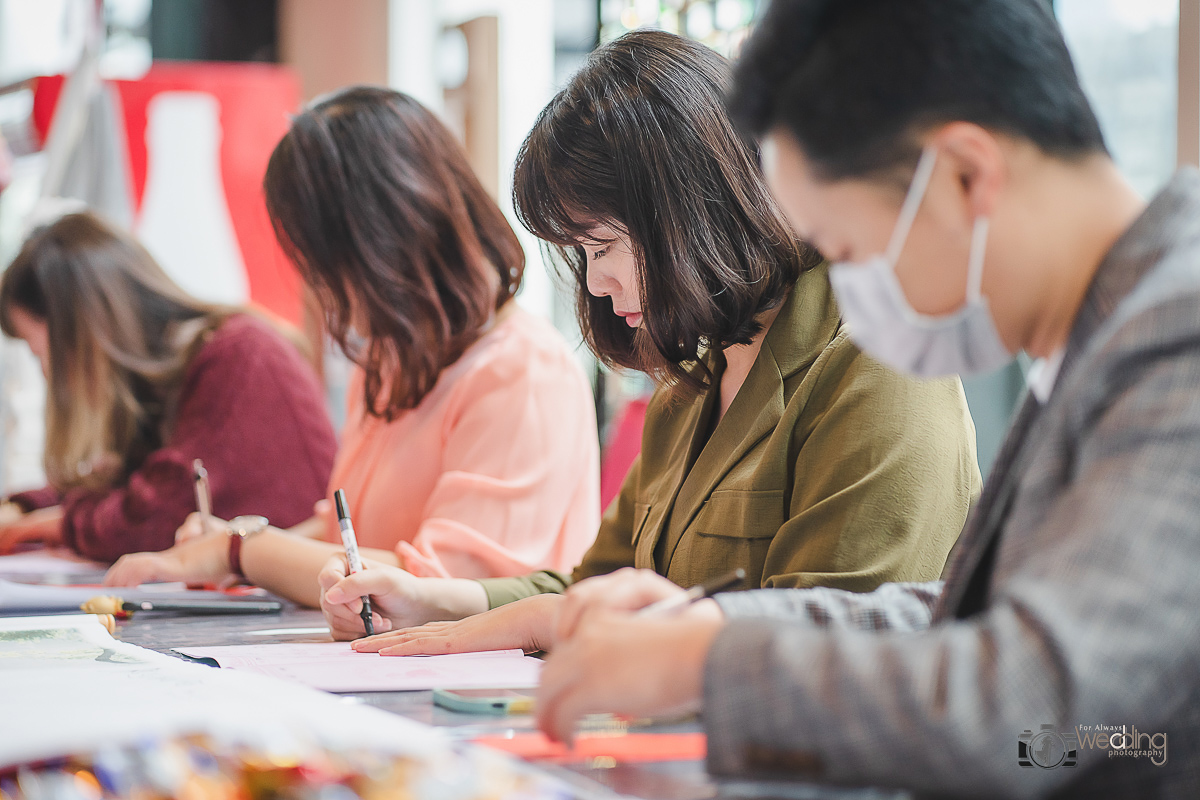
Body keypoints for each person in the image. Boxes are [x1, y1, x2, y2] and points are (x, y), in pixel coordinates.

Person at [533, 1, 1200, 797]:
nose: (851, 289)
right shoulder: (1104, 335)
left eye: (849, 249)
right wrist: (715, 627)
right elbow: (962, 619)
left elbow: (1036, 717)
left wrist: (708, 663)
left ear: (963, 175)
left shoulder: (1177, 333)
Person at [317, 31, 981, 651]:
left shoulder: (878, 363)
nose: (599, 284)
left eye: (604, 246)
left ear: (695, 208)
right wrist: (434, 604)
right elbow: (591, 586)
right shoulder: (692, 378)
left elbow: (827, 647)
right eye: (582, 254)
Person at [104, 87, 600, 606]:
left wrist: (240, 550)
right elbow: (348, 537)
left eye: (326, 264)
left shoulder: (522, 370)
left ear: (385, 241)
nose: (321, 290)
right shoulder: (390, 358)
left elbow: (438, 582)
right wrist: (224, 548)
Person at [0, 211, 336, 562]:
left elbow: (148, 519)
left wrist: (46, 525)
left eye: (41, 354)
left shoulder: (239, 355)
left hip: (309, 601)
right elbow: (117, 485)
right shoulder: (170, 379)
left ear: (83, 336)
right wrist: (24, 508)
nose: (45, 374)